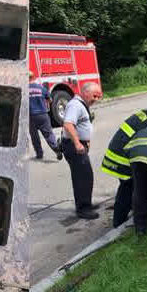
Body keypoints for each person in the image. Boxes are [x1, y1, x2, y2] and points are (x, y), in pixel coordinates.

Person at [101, 103, 147, 228]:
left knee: (134, 185)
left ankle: (129, 213)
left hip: (116, 153)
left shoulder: (146, 114)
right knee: (129, 187)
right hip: (123, 158)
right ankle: (118, 223)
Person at [62, 82, 102, 219]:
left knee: (86, 176)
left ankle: (86, 203)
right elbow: (68, 124)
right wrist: (78, 143)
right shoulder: (75, 105)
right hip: (74, 146)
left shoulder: (81, 105)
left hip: (79, 145)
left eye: (98, 97)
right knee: (82, 177)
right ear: (85, 92)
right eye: (94, 96)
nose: (96, 99)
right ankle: (83, 209)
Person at [29, 71, 62, 160]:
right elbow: (50, 100)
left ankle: (39, 154)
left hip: (31, 116)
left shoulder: (25, 89)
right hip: (43, 115)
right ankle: (56, 149)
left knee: (34, 136)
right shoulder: (41, 88)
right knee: (48, 134)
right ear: (34, 77)